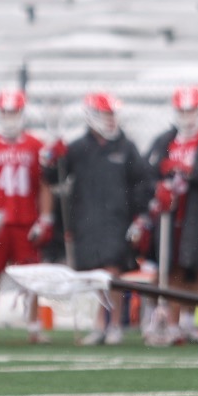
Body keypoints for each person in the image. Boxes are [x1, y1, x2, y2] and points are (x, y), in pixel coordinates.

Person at [54, 93, 151, 345]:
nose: (110, 120)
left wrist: (139, 216)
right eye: (106, 114)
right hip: (87, 219)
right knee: (96, 274)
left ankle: (115, 324)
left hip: (117, 219)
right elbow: (55, 176)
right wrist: (52, 158)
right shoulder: (78, 148)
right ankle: (99, 325)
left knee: (113, 272)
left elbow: (142, 183)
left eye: (112, 114)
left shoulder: (125, 147)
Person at [142, 87, 198, 346]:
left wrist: (189, 172)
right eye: (182, 111)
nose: (187, 116)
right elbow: (149, 173)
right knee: (173, 272)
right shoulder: (165, 140)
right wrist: (159, 187)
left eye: (191, 110)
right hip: (171, 218)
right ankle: (173, 325)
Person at [0, 88, 53, 344]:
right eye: (5, 112)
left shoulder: (36, 145)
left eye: (13, 112)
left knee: (31, 278)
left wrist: (46, 217)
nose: (9, 117)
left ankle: (34, 327)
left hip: (26, 220)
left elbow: (45, 185)